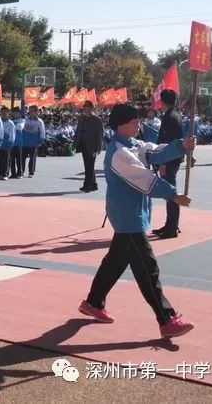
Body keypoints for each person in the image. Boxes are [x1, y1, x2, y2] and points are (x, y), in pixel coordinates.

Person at [79, 102, 195, 339]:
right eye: (134, 121)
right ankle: (167, 319)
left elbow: (156, 151)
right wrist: (172, 194)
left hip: (133, 213)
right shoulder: (119, 153)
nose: (138, 124)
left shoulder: (134, 144)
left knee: (116, 262)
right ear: (121, 125)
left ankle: (93, 302)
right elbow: (144, 180)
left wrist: (180, 146)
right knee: (147, 268)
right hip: (127, 216)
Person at [152, 89, 184, 239]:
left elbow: (170, 143)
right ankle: (170, 224)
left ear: (163, 101)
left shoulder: (171, 117)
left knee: (170, 193)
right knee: (169, 193)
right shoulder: (171, 116)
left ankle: (172, 227)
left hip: (169, 160)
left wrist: (164, 162)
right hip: (170, 158)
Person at [74, 100, 105, 192]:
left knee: (89, 166)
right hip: (83, 144)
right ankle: (94, 185)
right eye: (85, 107)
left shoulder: (97, 120)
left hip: (92, 146)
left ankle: (87, 186)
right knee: (88, 166)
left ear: (92, 108)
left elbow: (100, 135)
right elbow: (78, 131)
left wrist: (99, 148)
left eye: (89, 108)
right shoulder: (81, 118)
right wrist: (74, 142)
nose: (86, 109)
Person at [22, 105, 45, 177]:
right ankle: (21, 171)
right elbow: (22, 130)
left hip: (34, 143)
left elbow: (42, 133)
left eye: (33, 111)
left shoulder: (39, 122)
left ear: (36, 112)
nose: (31, 112)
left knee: (32, 158)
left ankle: (31, 172)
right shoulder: (26, 120)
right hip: (25, 142)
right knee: (22, 158)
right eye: (30, 111)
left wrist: (40, 142)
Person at [0, 106, 15, 180]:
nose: (4, 114)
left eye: (5, 112)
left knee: (6, 159)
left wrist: (10, 143)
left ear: (8, 113)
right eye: (2, 112)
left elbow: (12, 135)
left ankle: (5, 174)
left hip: (7, 144)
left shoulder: (10, 123)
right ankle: (0, 173)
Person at [10, 107, 25, 178]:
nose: (15, 114)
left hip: (19, 143)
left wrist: (11, 126)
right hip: (11, 142)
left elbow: (19, 127)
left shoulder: (22, 120)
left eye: (17, 112)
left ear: (19, 114)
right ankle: (13, 173)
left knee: (19, 159)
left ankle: (20, 173)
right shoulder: (10, 120)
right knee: (12, 159)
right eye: (14, 112)